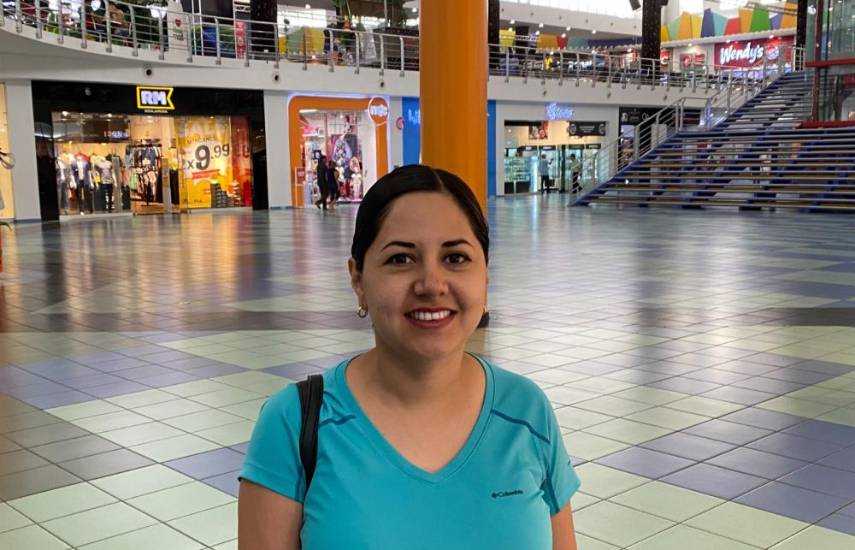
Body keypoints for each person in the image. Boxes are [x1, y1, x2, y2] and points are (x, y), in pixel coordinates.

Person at [238, 164, 581, 550]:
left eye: (456, 258)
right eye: (401, 259)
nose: (431, 285)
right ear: (358, 279)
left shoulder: (526, 411)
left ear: (485, 276)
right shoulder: (296, 422)